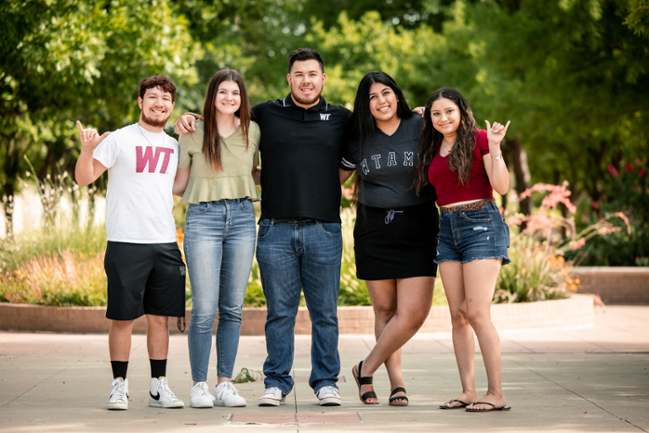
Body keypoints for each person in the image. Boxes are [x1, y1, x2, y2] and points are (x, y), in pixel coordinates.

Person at [175, 48, 351, 407]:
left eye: (312, 74)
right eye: (299, 74)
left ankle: (326, 382)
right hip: (275, 229)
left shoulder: (342, 118)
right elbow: (224, 118)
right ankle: (276, 382)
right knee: (279, 313)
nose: (306, 80)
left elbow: (381, 124)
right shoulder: (264, 116)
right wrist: (189, 116)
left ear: (323, 78)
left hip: (325, 229)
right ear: (289, 78)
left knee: (325, 314)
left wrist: (416, 115)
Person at [75, 76, 185, 410]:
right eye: (152, 97)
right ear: (140, 102)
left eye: (165, 98)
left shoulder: (175, 146)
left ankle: (158, 386)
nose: (159, 103)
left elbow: (181, 187)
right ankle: (119, 385)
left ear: (172, 106)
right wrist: (87, 149)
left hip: (165, 241)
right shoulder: (121, 139)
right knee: (122, 317)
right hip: (125, 241)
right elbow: (84, 177)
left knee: (160, 319)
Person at [339, 72, 438, 406]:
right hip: (374, 229)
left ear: (397, 95)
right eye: (372, 97)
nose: (381, 101)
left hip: (419, 227)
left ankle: (364, 368)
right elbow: (335, 176)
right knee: (384, 310)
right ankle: (396, 382)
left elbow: (454, 137)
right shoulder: (358, 136)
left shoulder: (421, 125)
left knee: (413, 313)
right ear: (364, 105)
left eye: (386, 93)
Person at [414, 87, 512, 412]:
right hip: (447, 228)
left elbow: (502, 186)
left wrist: (496, 149)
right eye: (436, 113)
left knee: (478, 313)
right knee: (457, 316)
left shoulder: (481, 138)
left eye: (449, 112)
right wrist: (416, 114)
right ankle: (468, 391)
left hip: (481, 223)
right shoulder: (432, 146)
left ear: (462, 111)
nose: (443, 118)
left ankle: (496, 394)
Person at [172, 69, 260, 408]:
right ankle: (199, 384)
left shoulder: (252, 130)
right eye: (222, 92)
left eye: (235, 93)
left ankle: (225, 383)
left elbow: (253, 173)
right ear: (212, 96)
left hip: (241, 218)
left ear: (242, 98)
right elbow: (178, 184)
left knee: (233, 308)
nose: (229, 98)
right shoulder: (193, 132)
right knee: (205, 308)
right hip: (203, 219)